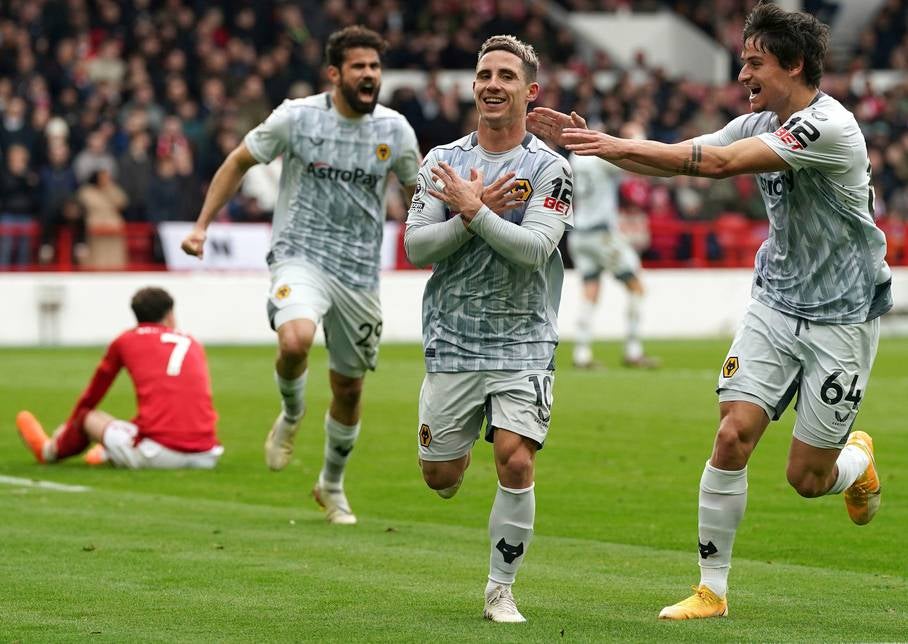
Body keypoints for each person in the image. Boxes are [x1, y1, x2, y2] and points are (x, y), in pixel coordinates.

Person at [527, 1, 890, 620]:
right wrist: (598, 147)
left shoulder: (828, 127)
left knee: (806, 478)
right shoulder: (757, 124)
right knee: (732, 433)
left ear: (795, 64)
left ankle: (856, 462)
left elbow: (715, 166)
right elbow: (686, 155)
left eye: (755, 62)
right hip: (775, 303)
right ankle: (711, 591)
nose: (742, 74)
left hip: (842, 315)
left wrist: (609, 142)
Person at [180, 26, 420, 525]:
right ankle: (291, 415)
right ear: (335, 73)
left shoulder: (395, 131)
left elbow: (421, 194)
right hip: (300, 255)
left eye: (375, 67)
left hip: (358, 272)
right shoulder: (297, 117)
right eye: (360, 66)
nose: (370, 75)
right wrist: (201, 226)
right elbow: (238, 160)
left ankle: (331, 485)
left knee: (349, 388)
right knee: (294, 341)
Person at [404, 35, 573, 623]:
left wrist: (473, 210)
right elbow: (416, 244)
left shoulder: (550, 169)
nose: (492, 85)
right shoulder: (441, 162)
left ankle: (500, 588)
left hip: (524, 338)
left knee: (516, 461)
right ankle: (458, 447)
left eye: (505, 75)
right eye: (483, 75)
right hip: (452, 338)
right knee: (441, 477)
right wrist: (466, 216)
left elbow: (536, 251)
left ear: (530, 92)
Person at [16, 287, 223, 469]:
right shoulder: (192, 342)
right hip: (206, 455)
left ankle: (48, 450)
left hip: (158, 453)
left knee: (88, 417)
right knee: (140, 424)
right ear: (170, 315)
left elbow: (91, 396)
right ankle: (107, 453)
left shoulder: (125, 340)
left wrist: (69, 430)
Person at [568, 121, 659, 369]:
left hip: (578, 235)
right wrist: (636, 137)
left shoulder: (574, 158)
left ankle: (582, 353)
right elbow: (632, 162)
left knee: (590, 290)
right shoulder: (600, 160)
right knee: (637, 286)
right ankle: (633, 350)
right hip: (601, 235)